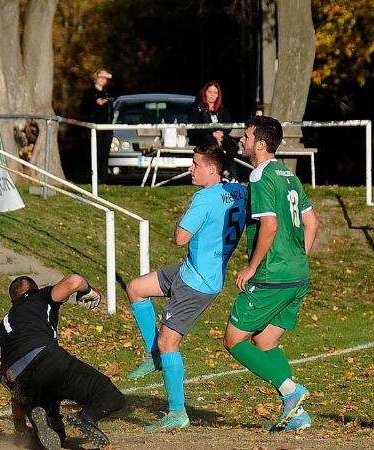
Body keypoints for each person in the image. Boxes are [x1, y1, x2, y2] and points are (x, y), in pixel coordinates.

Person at [125, 144, 247, 431]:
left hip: (197, 283)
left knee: (170, 342)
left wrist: (191, 214)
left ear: (212, 169)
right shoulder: (240, 191)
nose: (191, 168)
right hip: (190, 270)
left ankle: (177, 413)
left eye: (195, 164)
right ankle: (153, 354)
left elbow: (180, 237)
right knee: (135, 288)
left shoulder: (203, 199)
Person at [222, 115, 318, 432]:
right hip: (298, 274)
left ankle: (292, 393)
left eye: (246, 136)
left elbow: (270, 225)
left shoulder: (260, 175)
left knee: (234, 339)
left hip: (271, 275)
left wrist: (251, 267)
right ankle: (297, 415)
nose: (242, 140)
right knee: (265, 341)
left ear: (260, 144)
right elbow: (312, 223)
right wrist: (295, 257)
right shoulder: (288, 176)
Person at [0, 274, 125, 450]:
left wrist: (19, 427)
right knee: (111, 396)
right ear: (33, 290)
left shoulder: (6, 323)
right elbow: (74, 281)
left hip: (18, 379)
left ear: (12, 301)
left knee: (56, 437)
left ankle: (44, 417)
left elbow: (14, 381)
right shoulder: (39, 297)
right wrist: (89, 291)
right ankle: (86, 416)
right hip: (46, 360)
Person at [188, 81, 242, 180]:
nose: (212, 95)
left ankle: (225, 170)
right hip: (202, 137)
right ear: (205, 92)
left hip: (220, 136)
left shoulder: (223, 108)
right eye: (210, 92)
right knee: (211, 143)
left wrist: (221, 133)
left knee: (232, 145)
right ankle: (216, 172)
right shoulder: (197, 107)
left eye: (215, 93)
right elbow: (194, 126)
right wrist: (212, 133)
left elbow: (228, 125)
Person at [82, 69, 114, 184]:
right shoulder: (89, 93)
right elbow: (84, 109)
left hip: (107, 127)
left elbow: (111, 109)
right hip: (95, 126)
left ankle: (103, 179)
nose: (103, 80)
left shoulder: (107, 92)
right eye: (101, 77)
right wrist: (95, 104)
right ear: (96, 78)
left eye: (105, 78)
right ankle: (94, 178)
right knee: (95, 152)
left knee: (105, 154)